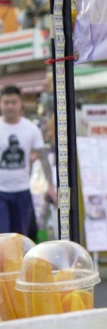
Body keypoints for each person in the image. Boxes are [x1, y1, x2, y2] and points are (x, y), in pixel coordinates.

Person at [0, 85, 55, 237]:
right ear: (1, 103)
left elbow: (43, 158)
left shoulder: (31, 129)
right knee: (2, 238)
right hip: (1, 192)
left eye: (13, 102)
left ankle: (20, 262)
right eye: (6, 102)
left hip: (22, 191)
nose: (10, 106)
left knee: (20, 237)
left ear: (20, 103)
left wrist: (50, 185)